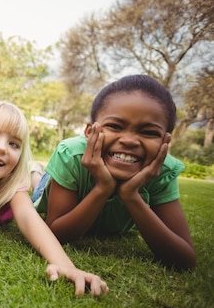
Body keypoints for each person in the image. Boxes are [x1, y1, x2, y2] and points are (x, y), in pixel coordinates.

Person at [0, 101, 108, 296]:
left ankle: (35, 172)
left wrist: (67, 267)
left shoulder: (11, 182)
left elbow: (29, 217)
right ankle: (35, 172)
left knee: (39, 190)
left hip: (26, 185)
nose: (2, 148)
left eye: (13, 144)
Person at [33, 74, 196, 270]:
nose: (129, 140)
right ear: (89, 132)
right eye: (115, 126)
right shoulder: (71, 154)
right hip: (49, 187)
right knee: (39, 187)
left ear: (165, 141)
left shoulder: (163, 171)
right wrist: (103, 188)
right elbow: (56, 234)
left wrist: (131, 195)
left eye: (149, 132)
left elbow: (185, 260)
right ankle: (36, 171)